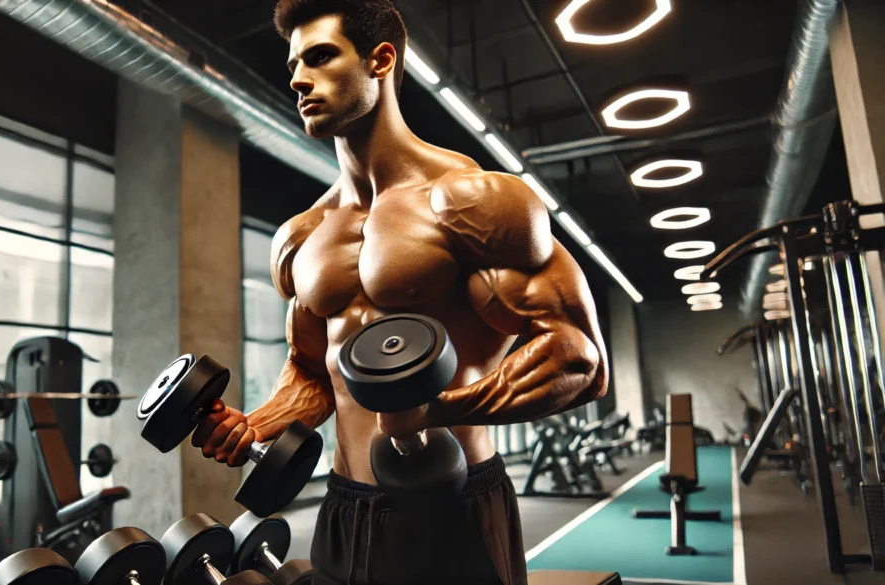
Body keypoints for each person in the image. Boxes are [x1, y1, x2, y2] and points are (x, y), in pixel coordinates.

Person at [192, 1, 608, 583]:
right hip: (344, 507)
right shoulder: (303, 236)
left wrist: (435, 409)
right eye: (293, 65)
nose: (297, 79)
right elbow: (314, 372)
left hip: (453, 502)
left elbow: (579, 359)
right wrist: (256, 425)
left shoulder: (474, 201)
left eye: (320, 57)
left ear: (380, 60)